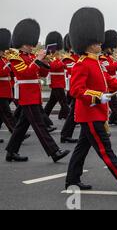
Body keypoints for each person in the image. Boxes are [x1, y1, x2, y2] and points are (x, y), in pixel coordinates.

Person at [65, 7, 117, 191]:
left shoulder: (95, 62)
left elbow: (108, 80)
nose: (101, 44)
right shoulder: (82, 64)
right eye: (97, 42)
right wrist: (98, 97)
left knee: (82, 149)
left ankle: (72, 180)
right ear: (89, 44)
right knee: (104, 149)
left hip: (96, 112)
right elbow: (76, 90)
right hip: (90, 113)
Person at [5, 19, 70, 163]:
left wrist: (45, 61)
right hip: (27, 95)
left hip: (33, 94)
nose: (32, 46)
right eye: (29, 43)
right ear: (22, 43)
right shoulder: (15, 58)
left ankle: (11, 152)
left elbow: (43, 74)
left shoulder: (30, 57)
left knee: (22, 125)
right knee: (40, 126)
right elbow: (25, 74)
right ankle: (54, 152)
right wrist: (38, 60)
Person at [44, 31, 70, 121]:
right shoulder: (48, 56)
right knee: (64, 103)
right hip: (56, 82)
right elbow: (53, 67)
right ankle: (71, 118)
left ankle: (46, 117)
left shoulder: (57, 55)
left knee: (51, 102)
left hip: (60, 82)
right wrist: (61, 62)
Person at [60, 34, 80, 144]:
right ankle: (65, 135)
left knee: (74, 111)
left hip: (80, 86)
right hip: (75, 86)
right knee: (74, 112)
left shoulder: (79, 57)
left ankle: (65, 135)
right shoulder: (68, 58)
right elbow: (72, 72)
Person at [0, 28, 16, 143]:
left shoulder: (3, 59)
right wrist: (8, 66)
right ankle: (16, 133)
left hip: (5, 89)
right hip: (1, 90)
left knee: (2, 115)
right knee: (7, 113)